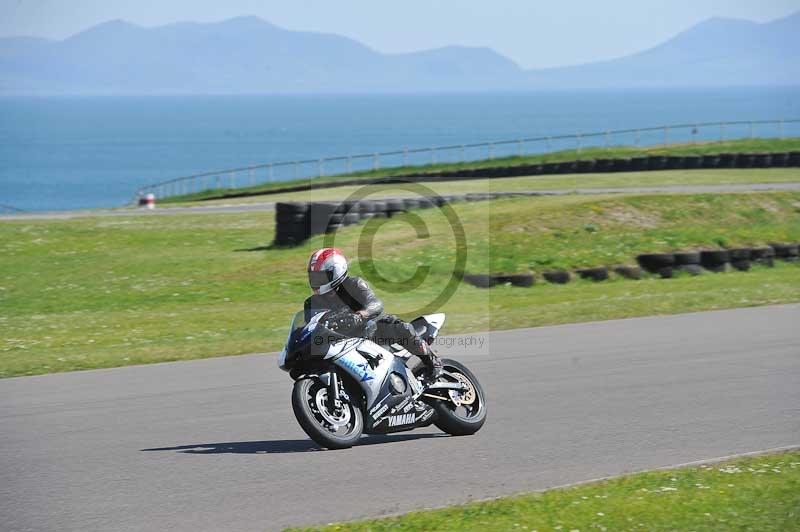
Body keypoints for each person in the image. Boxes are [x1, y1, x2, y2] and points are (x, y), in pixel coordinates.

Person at [303, 247, 442, 378]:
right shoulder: (311, 304)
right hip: (340, 344)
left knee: (400, 327)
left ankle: (432, 361)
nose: (316, 282)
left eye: (321, 277)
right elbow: (310, 329)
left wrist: (360, 315)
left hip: (371, 331)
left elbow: (375, 304)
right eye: (313, 277)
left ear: (336, 272)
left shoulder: (354, 285)